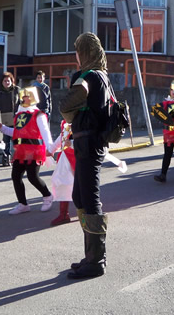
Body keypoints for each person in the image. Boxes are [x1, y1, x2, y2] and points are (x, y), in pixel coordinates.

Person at [59, 32, 111, 279]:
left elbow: (65, 106)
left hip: (89, 142)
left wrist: (74, 112)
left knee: (89, 199)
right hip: (88, 142)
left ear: (85, 52)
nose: (76, 56)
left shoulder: (89, 76)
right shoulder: (101, 75)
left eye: (78, 51)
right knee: (80, 196)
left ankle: (96, 260)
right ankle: (91, 256)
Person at [0, 87, 54, 215]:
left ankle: (47, 196)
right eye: (23, 97)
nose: (24, 99)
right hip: (21, 151)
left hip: (34, 150)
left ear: (33, 98)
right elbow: (16, 132)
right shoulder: (19, 115)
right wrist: (2, 128)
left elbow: (45, 132)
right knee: (16, 176)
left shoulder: (38, 115)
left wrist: (50, 148)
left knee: (33, 177)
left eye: (27, 96)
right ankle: (22, 204)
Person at [47, 121, 76, 226]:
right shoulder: (67, 122)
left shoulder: (81, 118)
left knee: (82, 185)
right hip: (66, 158)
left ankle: (91, 208)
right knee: (62, 183)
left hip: (77, 157)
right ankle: (64, 214)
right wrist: (51, 149)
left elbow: (88, 138)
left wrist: (72, 143)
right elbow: (62, 137)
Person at [0, 72, 20, 159]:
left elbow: (22, 103)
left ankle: (19, 155)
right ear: (2, 82)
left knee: (17, 138)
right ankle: (6, 156)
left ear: (12, 81)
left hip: (16, 118)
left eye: (8, 81)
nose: (7, 83)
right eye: (5, 81)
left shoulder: (17, 90)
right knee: (6, 139)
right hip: (3, 118)